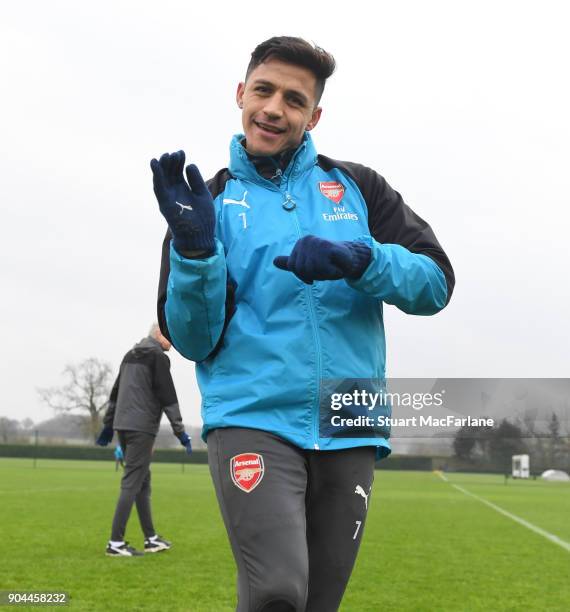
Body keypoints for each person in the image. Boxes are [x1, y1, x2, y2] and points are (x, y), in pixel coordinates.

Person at [151, 36, 455, 610]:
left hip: (351, 418)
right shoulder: (205, 204)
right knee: (277, 593)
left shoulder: (360, 187)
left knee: (316, 602)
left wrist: (363, 260)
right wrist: (194, 254)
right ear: (241, 94)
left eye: (294, 99)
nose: (273, 108)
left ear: (314, 115)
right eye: (263, 91)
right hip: (253, 416)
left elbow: (436, 283)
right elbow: (191, 339)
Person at [96, 324, 193, 557]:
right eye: (170, 335)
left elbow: (115, 393)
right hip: (141, 428)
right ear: (158, 334)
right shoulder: (157, 357)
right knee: (131, 482)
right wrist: (180, 432)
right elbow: (168, 396)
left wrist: (109, 426)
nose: (173, 341)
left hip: (123, 425)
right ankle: (115, 543)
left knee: (142, 482)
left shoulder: (130, 355)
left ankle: (151, 539)